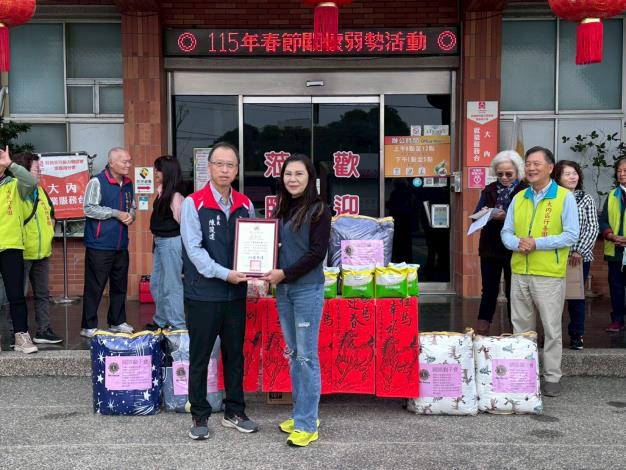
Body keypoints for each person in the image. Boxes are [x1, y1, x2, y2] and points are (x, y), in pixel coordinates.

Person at [181, 142, 258, 440]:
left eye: (231, 165)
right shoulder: (194, 203)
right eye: (219, 164)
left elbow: (254, 243)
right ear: (209, 167)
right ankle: (199, 414)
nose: (225, 170)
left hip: (235, 295)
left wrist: (257, 271)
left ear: (237, 170)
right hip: (203, 294)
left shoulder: (245, 204)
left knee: (235, 355)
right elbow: (195, 252)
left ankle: (235, 411)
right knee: (200, 356)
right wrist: (227, 274)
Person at [261, 154, 331, 448]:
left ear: (310, 178)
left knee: (306, 357)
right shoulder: (283, 208)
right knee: (294, 355)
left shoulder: (319, 210)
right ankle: (302, 414)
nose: (292, 179)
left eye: (299, 174)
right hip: (285, 291)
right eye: (288, 174)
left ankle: (307, 424)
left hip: (306, 291)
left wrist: (284, 273)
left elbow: (317, 254)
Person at [501, 146, 579, 397]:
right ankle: (524, 375)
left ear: (550, 168)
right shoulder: (519, 197)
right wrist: (518, 243)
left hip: (548, 274)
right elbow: (506, 232)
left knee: (551, 328)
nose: (531, 168)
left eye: (537, 164)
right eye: (528, 164)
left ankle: (552, 376)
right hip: (519, 272)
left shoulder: (564, 197)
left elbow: (571, 235)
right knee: (521, 328)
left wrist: (537, 243)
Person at [80, 147, 136, 338]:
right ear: (111, 163)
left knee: (119, 286)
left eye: (129, 161)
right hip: (99, 244)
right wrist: (115, 213)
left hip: (121, 244)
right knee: (95, 287)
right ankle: (88, 326)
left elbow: (132, 206)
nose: (128, 165)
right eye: (124, 161)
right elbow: (88, 208)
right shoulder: (97, 181)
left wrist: (131, 215)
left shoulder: (128, 183)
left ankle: (117, 322)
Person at [472, 150, 527, 336]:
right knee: (489, 289)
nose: (504, 178)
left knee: (515, 290)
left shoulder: (525, 191)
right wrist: (484, 213)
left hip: (516, 246)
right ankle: (482, 329)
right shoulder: (489, 189)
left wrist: (506, 218)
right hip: (490, 245)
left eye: (508, 174)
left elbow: (528, 219)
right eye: (500, 174)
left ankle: (516, 330)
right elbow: (476, 214)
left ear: (517, 172)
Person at [12, 152, 63, 344]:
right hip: (23, 252)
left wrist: (49, 234)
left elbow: (51, 213)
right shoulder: (17, 191)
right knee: (16, 295)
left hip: (42, 252)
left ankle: (44, 330)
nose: (40, 172)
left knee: (43, 294)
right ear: (24, 171)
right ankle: (15, 332)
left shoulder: (41, 191)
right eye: (36, 169)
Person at [553, 160, 598, 350]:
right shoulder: (553, 198)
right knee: (551, 299)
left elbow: (592, 227)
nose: (572, 177)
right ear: (558, 178)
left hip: (577, 258)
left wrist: (579, 250)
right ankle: (551, 335)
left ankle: (576, 335)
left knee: (575, 298)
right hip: (554, 256)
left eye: (575, 173)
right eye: (567, 174)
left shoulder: (585, 198)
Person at [0, 146, 38, 353]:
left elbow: (31, 182)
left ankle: (21, 336)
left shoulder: (15, 184)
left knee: (16, 296)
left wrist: (11, 164)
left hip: (11, 246)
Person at [146, 155, 186, 331]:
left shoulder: (175, 196)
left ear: (168, 172)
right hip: (160, 242)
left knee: (171, 285)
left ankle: (177, 325)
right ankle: (161, 320)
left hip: (170, 243)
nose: (156, 172)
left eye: (159, 169)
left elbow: (183, 223)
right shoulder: (162, 192)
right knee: (156, 284)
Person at [599, 157, 626, 333]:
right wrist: (610, 235)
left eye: (625, 171)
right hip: (616, 249)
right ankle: (617, 319)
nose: (622, 174)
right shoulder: (612, 195)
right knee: (616, 287)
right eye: (619, 171)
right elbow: (603, 221)